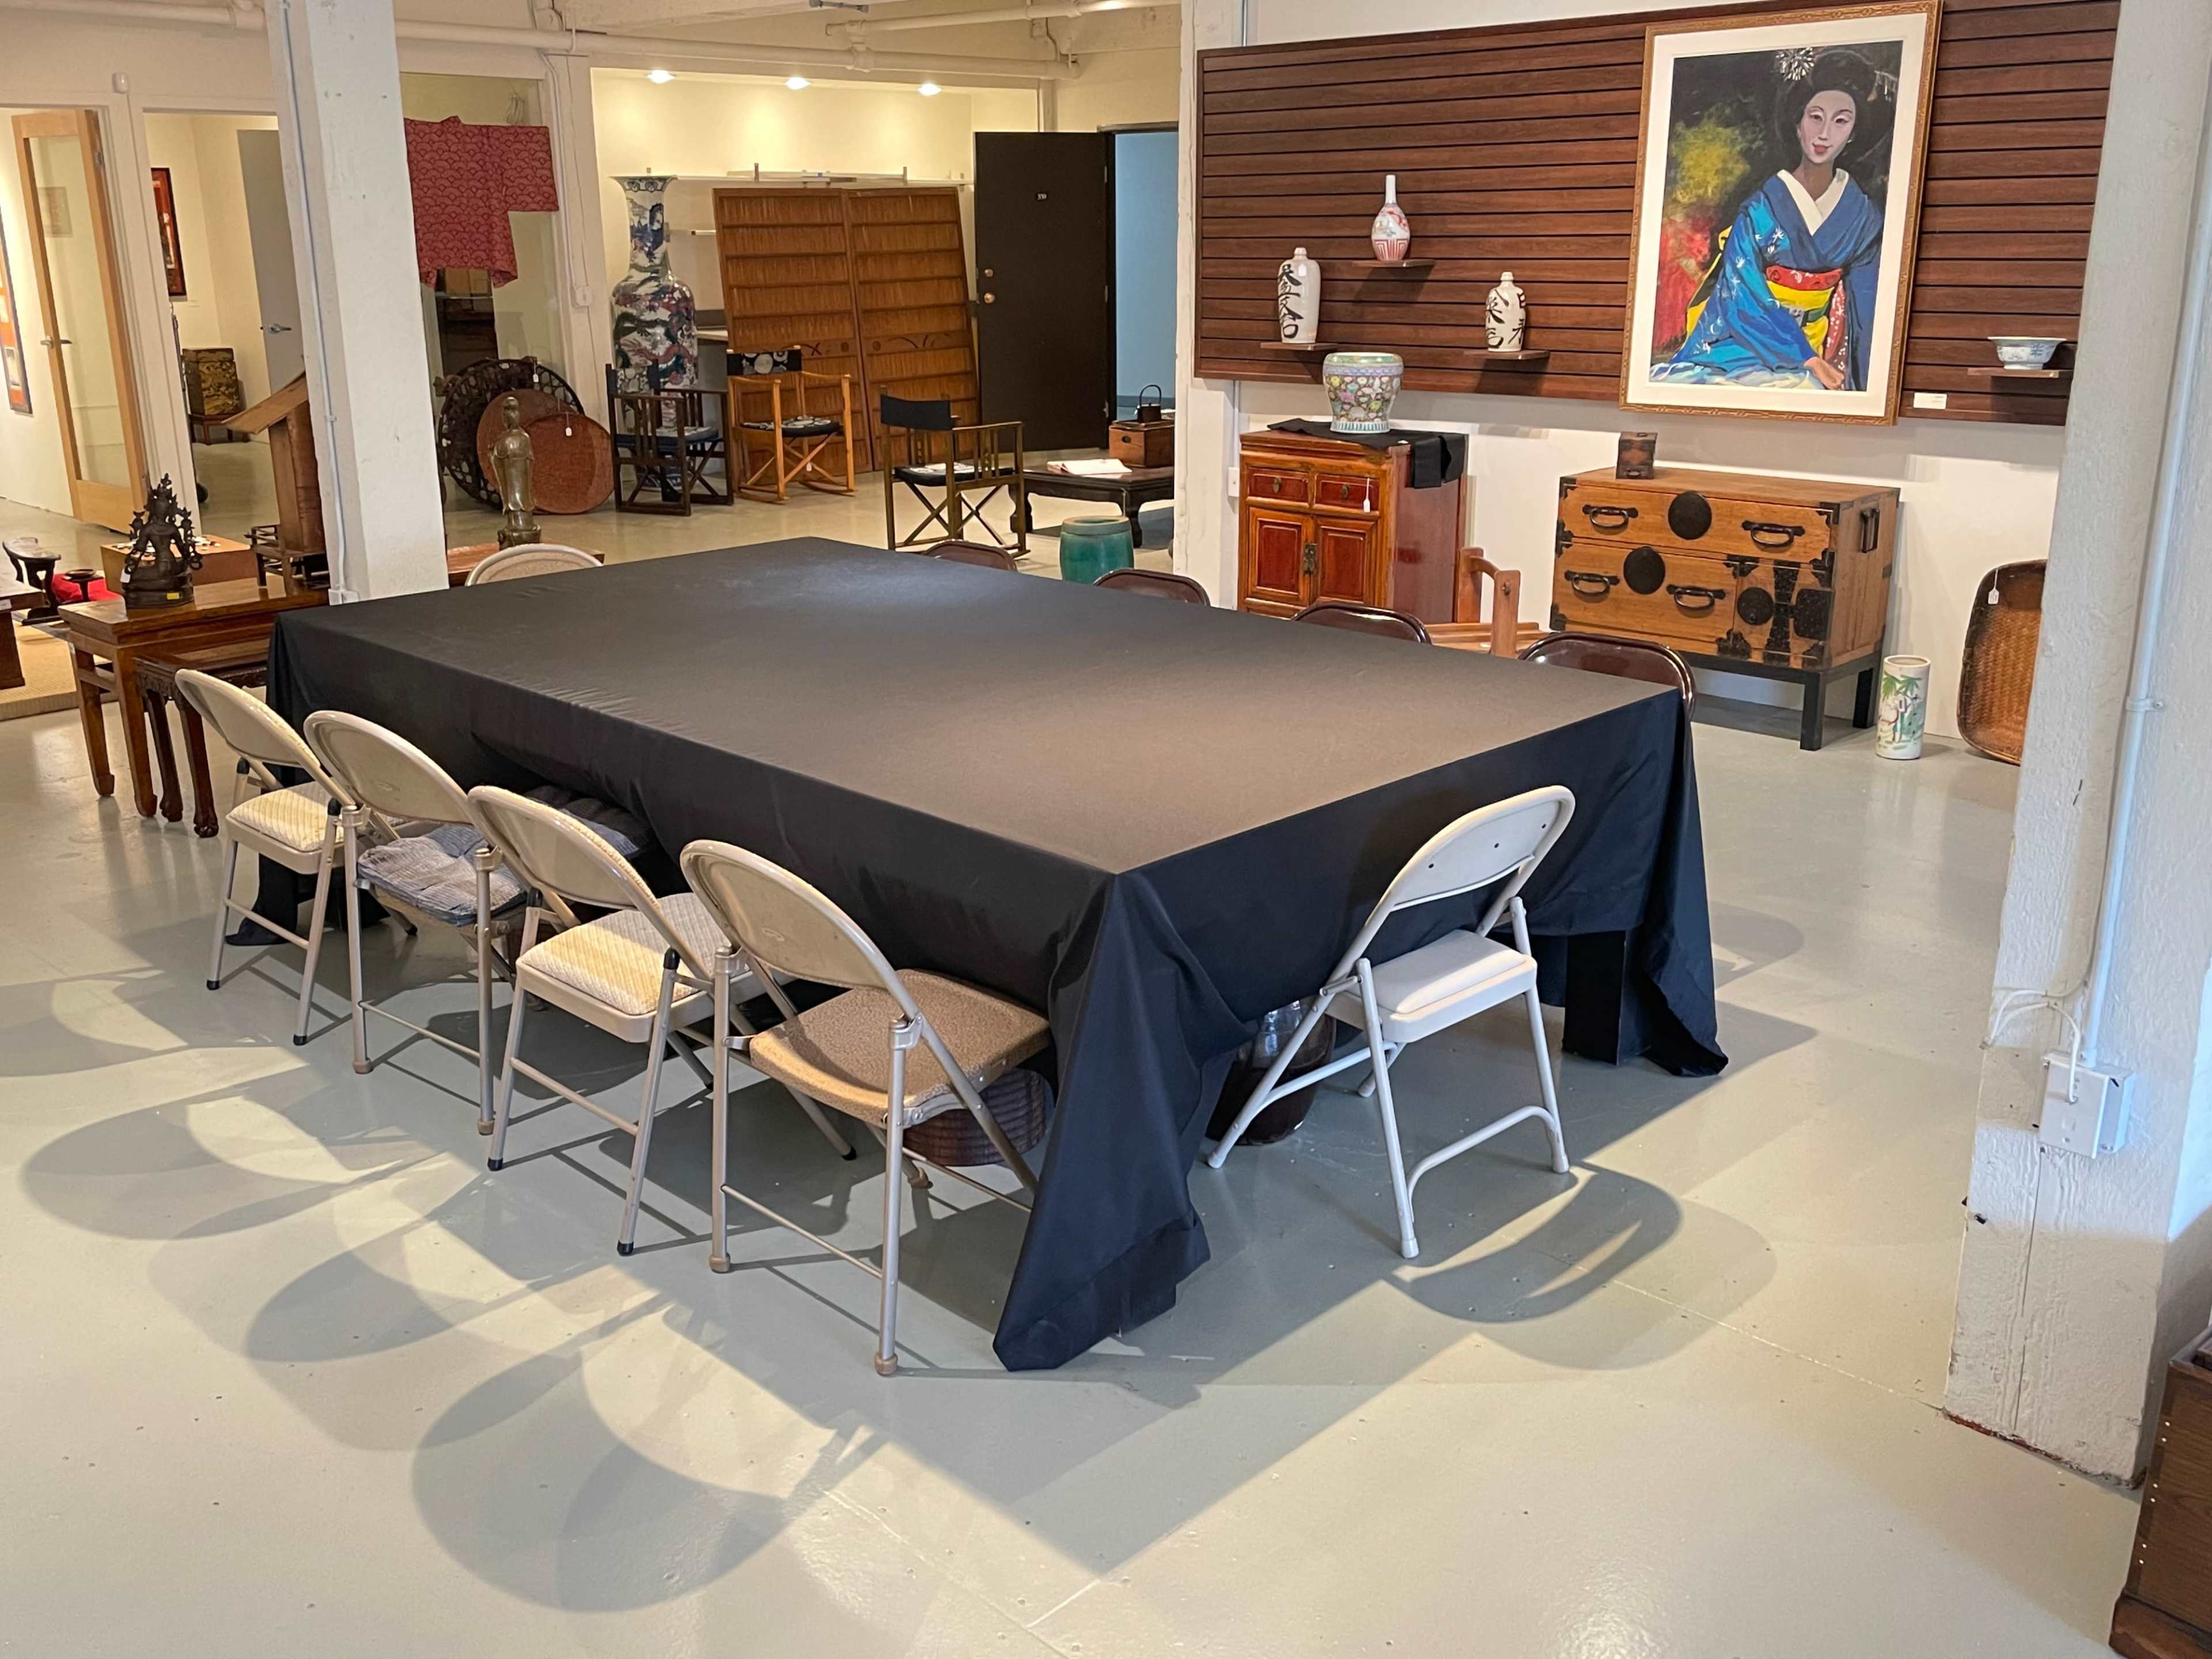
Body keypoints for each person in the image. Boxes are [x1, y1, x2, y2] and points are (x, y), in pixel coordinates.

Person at [1653, 49, 1885, 391]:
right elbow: (1740, 292)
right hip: (1747, 342)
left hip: (1822, 345)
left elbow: (1867, 306)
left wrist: (1860, 378)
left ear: (1853, 132)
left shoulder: (1863, 216)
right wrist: (1805, 358)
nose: (1824, 134)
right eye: (1815, 117)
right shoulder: (1761, 207)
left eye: (1841, 121)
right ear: (1797, 122)